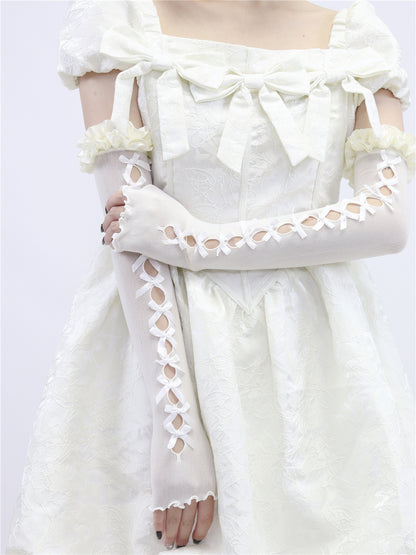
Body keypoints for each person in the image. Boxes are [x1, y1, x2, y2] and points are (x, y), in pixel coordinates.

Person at [6, 0, 415, 553]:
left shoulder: (358, 39)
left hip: (315, 360)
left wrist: (197, 243)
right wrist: (177, 430)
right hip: (161, 348)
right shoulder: (118, 26)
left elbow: (387, 221)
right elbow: (132, 231)